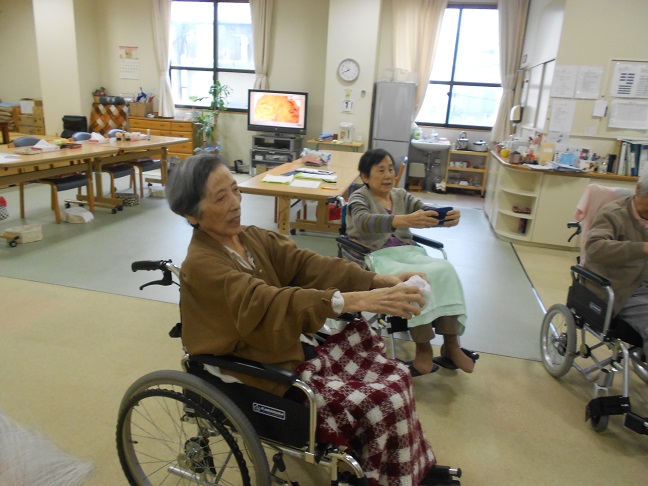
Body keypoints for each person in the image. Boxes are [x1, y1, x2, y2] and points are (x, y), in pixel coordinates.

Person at [165, 153, 442, 485]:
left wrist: (377, 280)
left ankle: (402, 466)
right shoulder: (201, 264)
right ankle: (387, 472)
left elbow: (308, 264)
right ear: (191, 213)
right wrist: (357, 299)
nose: (236, 203)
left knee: (395, 374)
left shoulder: (251, 238)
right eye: (221, 197)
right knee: (383, 399)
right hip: (250, 365)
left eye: (235, 190)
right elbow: (267, 301)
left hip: (283, 348)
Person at [343, 148, 476, 376]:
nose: (388, 175)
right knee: (416, 280)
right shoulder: (359, 197)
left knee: (445, 270)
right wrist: (402, 219)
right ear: (365, 176)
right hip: (375, 256)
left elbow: (424, 210)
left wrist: (443, 217)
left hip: (407, 252)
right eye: (381, 170)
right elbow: (363, 221)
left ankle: (451, 344)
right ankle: (423, 347)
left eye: (391, 169)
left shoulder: (401, 195)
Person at [584, 173, 648, 361]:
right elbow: (594, 248)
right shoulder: (613, 214)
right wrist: (641, 248)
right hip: (620, 288)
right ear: (638, 190)